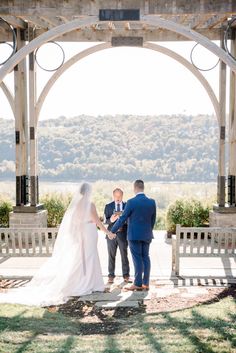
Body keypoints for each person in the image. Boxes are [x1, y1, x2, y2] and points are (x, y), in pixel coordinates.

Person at [0, 183, 115, 306]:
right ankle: (89, 283)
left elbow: (73, 222)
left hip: (81, 232)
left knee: (81, 258)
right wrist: (107, 232)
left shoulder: (76, 205)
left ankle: (81, 282)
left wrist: (76, 234)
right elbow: (97, 221)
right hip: (89, 231)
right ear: (88, 192)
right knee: (90, 256)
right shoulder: (90, 204)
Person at [111, 180, 156, 291]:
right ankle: (146, 283)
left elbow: (122, 218)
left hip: (134, 235)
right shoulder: (152, 202)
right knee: (146, 257)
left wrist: (112, 230)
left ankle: (137, 283)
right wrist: (148, 231)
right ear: (143, 188)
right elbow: (153, 220)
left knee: (137, 259)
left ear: (135, 188)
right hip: (147, 235)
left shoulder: (131, 202)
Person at [104, 188, 130, 284]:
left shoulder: (127, 205)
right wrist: (111, 219)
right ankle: (111, 275)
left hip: (123, 234)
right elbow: (105, 221)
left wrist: (123, 219)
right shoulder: (108, 206)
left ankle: (126, 275)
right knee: (111, 255)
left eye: (120, 196)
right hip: (111, 234)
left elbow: (131, 219)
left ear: (122, 196)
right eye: (116, 196)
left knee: (124, 255)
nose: (118, 198)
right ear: (113, 196)